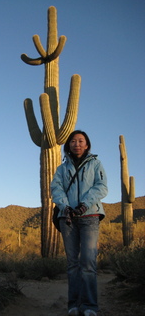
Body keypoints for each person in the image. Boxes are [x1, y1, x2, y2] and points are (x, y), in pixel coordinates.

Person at [51, 130, 108, 316]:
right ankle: (73, 305)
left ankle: (90, 306)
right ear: (68, 145)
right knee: (72, 264)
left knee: (88, 263)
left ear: (87, 145)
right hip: (67, 219)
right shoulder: (62, 168)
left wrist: (85, 204)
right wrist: (65, 207)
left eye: (81, 141)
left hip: (90, 216)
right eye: (73, 141)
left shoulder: (95, 164)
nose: (77, 144)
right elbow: (56, 188)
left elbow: (102, 186)